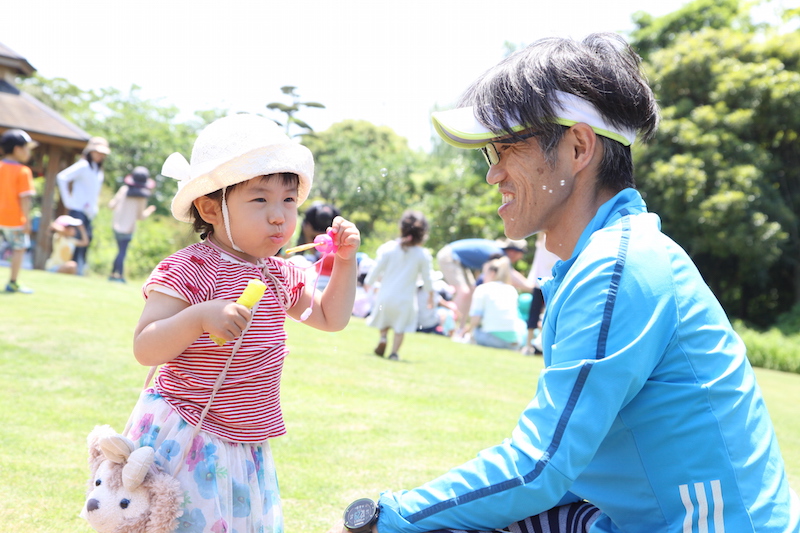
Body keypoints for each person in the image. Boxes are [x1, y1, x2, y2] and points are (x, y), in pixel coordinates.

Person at [328, 33, 799, 533]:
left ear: (578, 147)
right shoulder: (608, 256)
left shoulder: (617, 269)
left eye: (506, 149)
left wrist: (385, 519)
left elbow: (538, 467)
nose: (494, 175)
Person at [124, 114, 359, 533]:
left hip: (245, 442)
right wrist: (199, 317)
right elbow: (145, 347)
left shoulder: (278, 273)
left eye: (289, 201)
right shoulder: (191, 268)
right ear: (210, 207)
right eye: (260, 200)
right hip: (189, 433)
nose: (279, 217)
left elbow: (329, 317)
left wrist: (344, 263)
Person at [364, 210, 433, 361]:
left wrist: (368, 283)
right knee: (399, 328)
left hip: (385, 295)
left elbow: (376, 268)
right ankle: (394, 353)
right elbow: (428, 279)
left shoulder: (388, 248)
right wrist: (430, 295)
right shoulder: (422, 255)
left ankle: (383, 338)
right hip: (405, 299)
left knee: (385, 321)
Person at [436, 237, 532, 337]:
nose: (520, 257)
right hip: (450, 256)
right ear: (513, 252)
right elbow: (511, 276)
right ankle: (448, 328)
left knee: (471, 292)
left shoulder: (497, 252)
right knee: (464, 292)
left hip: (458, 261)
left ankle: (459, 329)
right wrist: (534, 288)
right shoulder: (499, 255)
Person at [56, 136, 111, 275]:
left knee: (86, 242)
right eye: (97, 152)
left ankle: (79, 271)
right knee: (76, 243)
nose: (100, 156)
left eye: (102, 154)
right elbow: (62, 177)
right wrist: (68, 201)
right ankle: (71, 270)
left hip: (88, 213)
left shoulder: (97, 170)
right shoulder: (84, 165)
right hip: (77, 211)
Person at [0, 129, 37, 294]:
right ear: (17, 149)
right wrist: (27, 221)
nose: (28, 152)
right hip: (14, 219)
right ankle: (13, 282)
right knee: (19, 248)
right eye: (27, 148)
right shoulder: (23, 171)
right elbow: (24, 199)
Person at [464, 255, 525, 350]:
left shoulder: (483, 289)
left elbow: (475, 318)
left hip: (491, 339)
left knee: (472, 333)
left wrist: (468, 332)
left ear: (492, 273)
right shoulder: (512, 290)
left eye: (484, 273)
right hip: (513, 343)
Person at [108, 166, 156, 282]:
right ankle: (119, 276)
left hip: (116, 225)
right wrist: (150, 210)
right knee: (122, 252)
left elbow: (111, 205)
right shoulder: (142, 197)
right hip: (128, 228)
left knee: (120, 251)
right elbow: (141, 216)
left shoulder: (124, 190)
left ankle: (113, 274)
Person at [522, 233, 560, 355]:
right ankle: (532, 345)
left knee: (537, 314)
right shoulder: (548, 240)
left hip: (547, 281)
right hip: (547, 281)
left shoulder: (548, 241)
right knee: (541, 314)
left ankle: (531, 345)